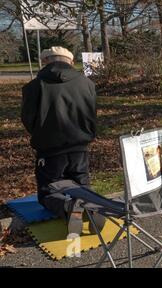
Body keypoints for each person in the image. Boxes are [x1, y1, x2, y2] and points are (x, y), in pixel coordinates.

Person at [21, 46, 102, 236]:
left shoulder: (34, 86)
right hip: (80, 146)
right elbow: (92, 114)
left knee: (49, 190)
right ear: (70, 62)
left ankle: (67, 206)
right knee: (82, 185)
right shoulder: (87, 84)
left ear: (45, 61)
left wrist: (41, 135)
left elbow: (27, 118)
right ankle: (92, 208)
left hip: (49, 149)